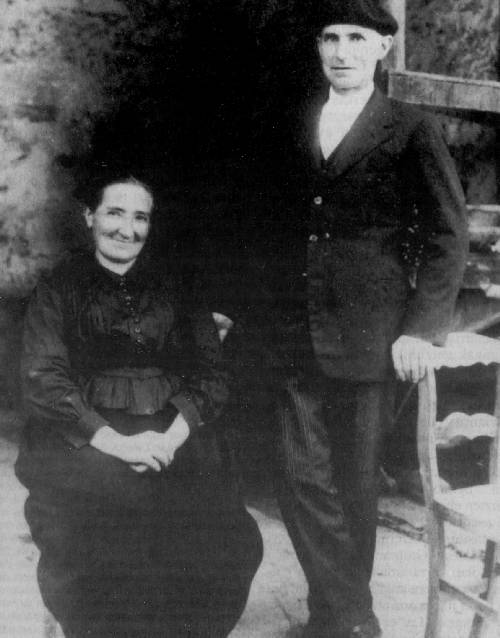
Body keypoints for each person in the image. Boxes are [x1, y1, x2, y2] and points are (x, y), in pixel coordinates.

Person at [265, 1, 469, 637]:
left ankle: (331, 621)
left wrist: (422, 328)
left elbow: (447, 233)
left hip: (372, 337)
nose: (342, 51)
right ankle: (357, 621)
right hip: (294, 329)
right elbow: (265, 221)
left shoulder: (411, 128)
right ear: (319, 46)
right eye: (330, 37)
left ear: (383, 48)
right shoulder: (294, 122)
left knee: (355, 489)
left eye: (357, 38)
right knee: (297, 476)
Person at [15, 175, 262, 638]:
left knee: (221, 535)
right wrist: (120, 445)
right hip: (86, 437)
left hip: (174, 433)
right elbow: (43, 378)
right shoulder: (58, 287)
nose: (126, 229)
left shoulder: (178, 285)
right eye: (114, 213)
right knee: (104, 533)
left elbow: (211, 373)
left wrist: (170, 439)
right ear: (89, 216)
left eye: (140, 217)